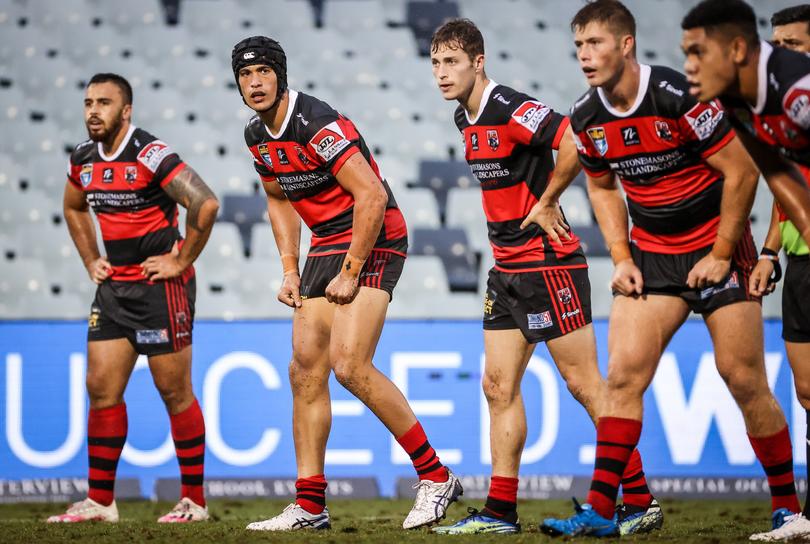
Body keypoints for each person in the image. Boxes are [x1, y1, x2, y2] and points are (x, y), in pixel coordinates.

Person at [541, 1, 801, 537]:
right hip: (653, 256)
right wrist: (620, 257)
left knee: (742, 376)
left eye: (595, 44)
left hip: (717, 246)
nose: (585, 57)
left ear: (627, 44)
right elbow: (602, 184)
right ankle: (602, 511)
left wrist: (724, 252)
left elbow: (742, 170)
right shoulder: (586, 116)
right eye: (578, 48)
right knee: (623, 377)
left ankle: (787, 508)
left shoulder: (677, 96)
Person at [427, 18, 661, 536]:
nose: (442, 73)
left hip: (548, 264)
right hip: (507, 270)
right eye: (436, 63)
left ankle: (640, 500)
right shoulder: (463, 119)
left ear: (478, 62)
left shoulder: (509, 107)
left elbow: (575, 137)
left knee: (584, 385)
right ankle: (500, 511)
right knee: (496, 386)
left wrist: (550, 198)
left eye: (452, 62)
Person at [231, 36, 462, 532]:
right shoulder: (256, 135)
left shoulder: (316, 123)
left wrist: (352, 270)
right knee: (304, 369)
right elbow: (276, 197)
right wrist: (290, 268)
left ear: (280, 75)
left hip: (373, 234)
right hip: (325, 243)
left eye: (264, 73)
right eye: (245, 76)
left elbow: (373, 196)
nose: (255, 83)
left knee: (350, 364)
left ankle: (435, 476)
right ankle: (310, 505)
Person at [48, 73, 219, 523]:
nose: (92, 111)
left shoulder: (150, 154)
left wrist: (180, 261)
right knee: (101, 389)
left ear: (126, 111)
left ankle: (194, 502)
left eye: (104, 102)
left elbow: (205, 203)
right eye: (88, 102)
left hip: (160, 287)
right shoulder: (83, 159)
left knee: (174, 391)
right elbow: (72, 205)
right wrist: (91, 259)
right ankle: (101, 502)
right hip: (113, 289)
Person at [746, 5, 810, 542]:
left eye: (792, 44)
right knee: (808, 389)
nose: (780, 54)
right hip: (799, 260)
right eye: (778, 44)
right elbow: (784, 188)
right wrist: (769, 252)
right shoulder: (786, 111)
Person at [681, 0, 810, 249]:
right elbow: (776, 169)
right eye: (687, 53)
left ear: (737, 50)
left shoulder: (799, 92)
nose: (689, 65)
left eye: (699, 52)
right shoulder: (733, 97)